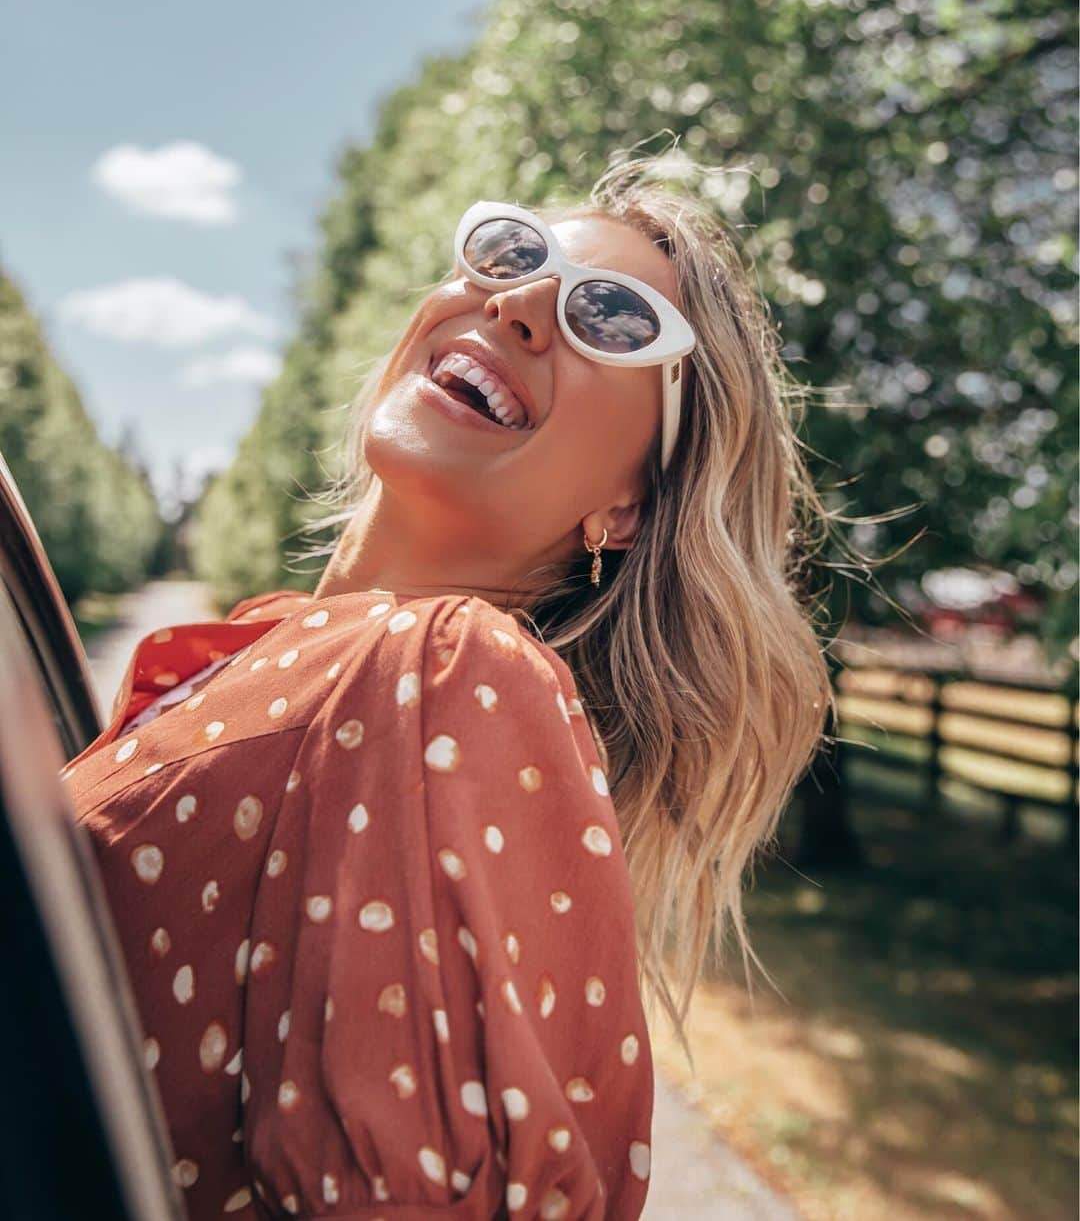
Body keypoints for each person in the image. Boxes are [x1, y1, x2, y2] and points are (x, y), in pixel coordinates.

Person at [61, 150, 833, 1219]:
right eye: (513, 252)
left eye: (610, 318)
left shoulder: (448, 673)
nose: (519, 304)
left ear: (633, 507)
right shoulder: (287, 657)